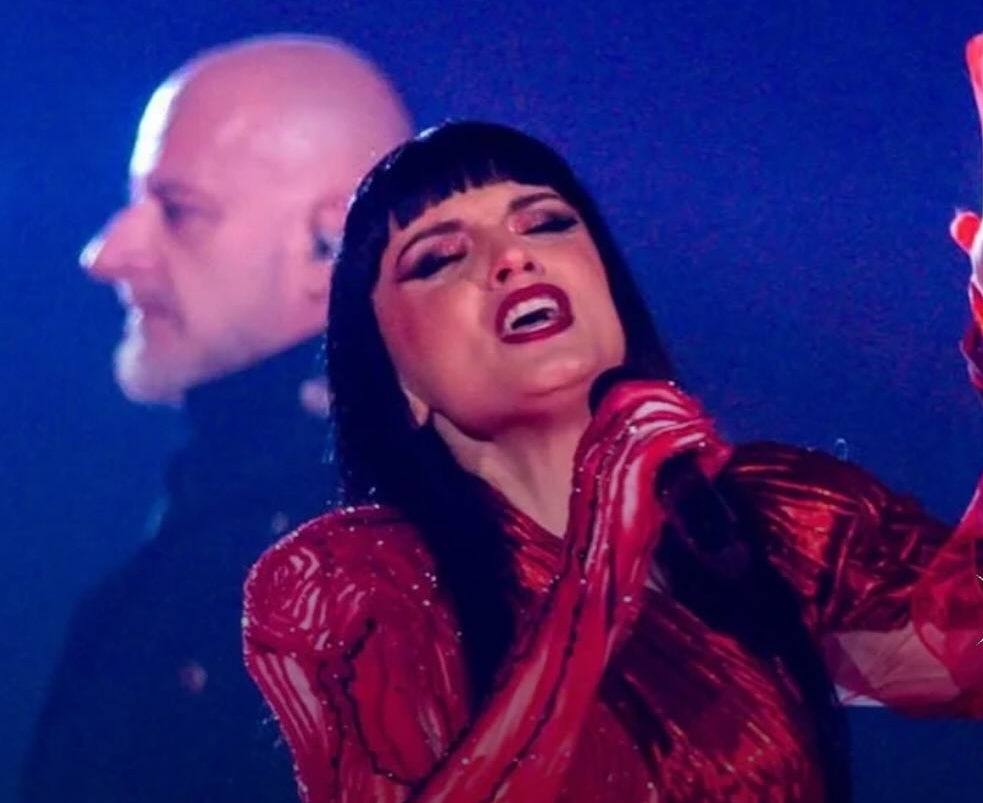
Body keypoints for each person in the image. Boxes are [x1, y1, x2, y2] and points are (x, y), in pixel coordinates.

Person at [241, 46, 983, 803]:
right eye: (438, 259)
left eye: (546, 223)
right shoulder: (351, 587)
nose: (512, 259)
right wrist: (600, 564)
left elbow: (963, 657)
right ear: (400, 383)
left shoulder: (765, 520)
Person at [20, 35, 411, 803]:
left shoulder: (368, 573)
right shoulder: (223, 533)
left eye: (179, 210)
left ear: (331, 245)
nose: (106, 253)